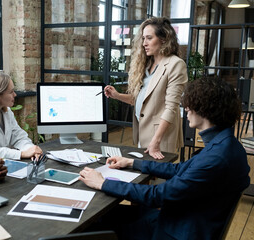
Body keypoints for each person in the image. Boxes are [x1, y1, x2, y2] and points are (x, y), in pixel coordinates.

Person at [79, 78, 250, 240]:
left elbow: (156, 196)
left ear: (205, 108)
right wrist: (132, 162)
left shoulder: (216, 158)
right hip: (185, 219)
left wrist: (102, 183)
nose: (187, 109)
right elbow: (179, 170)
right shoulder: (226, 144)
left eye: (190, 104)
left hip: (176, 230)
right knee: (105, 216)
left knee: (92, 225)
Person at [104, 17, 187, 159]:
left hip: (160, 136)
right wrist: (116, 95)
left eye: (149, 38)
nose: (144, 43)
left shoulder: (175, 64)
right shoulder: (147, 65)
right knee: (144, 177)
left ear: (163, 39)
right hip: (143, 133)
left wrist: (156, 140)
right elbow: (140, 101)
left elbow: (171, 108)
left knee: (158, 180)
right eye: (143, 38)